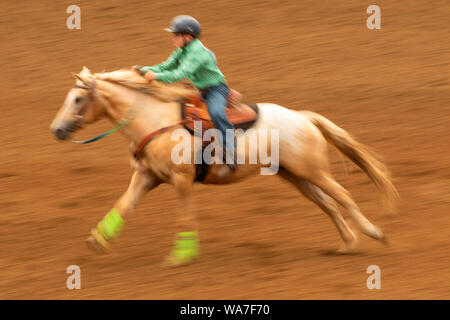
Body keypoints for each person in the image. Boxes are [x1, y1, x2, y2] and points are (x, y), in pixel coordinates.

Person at [134, 15, 237, 170]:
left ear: (188, 36)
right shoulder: (181, 50)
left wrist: (155, 76)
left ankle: (231, 150)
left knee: (216, 113)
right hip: (201, 91)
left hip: (216, 90)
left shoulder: (197, 53)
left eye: (176, 35)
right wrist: (142, 70)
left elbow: (179, 74)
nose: (173, 38)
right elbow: (165, 67)